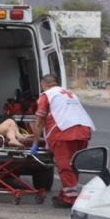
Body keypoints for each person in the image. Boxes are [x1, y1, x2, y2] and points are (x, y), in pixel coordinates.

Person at [31, 74, 95, 208]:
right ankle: (66, 193)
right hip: (84, 129)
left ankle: (69, 199)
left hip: (64, 131)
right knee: (74, 165)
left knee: (65, 165)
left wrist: (35, 142)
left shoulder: (46, 95)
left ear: (43, 84)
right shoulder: (69, 93)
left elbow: (39, 120)